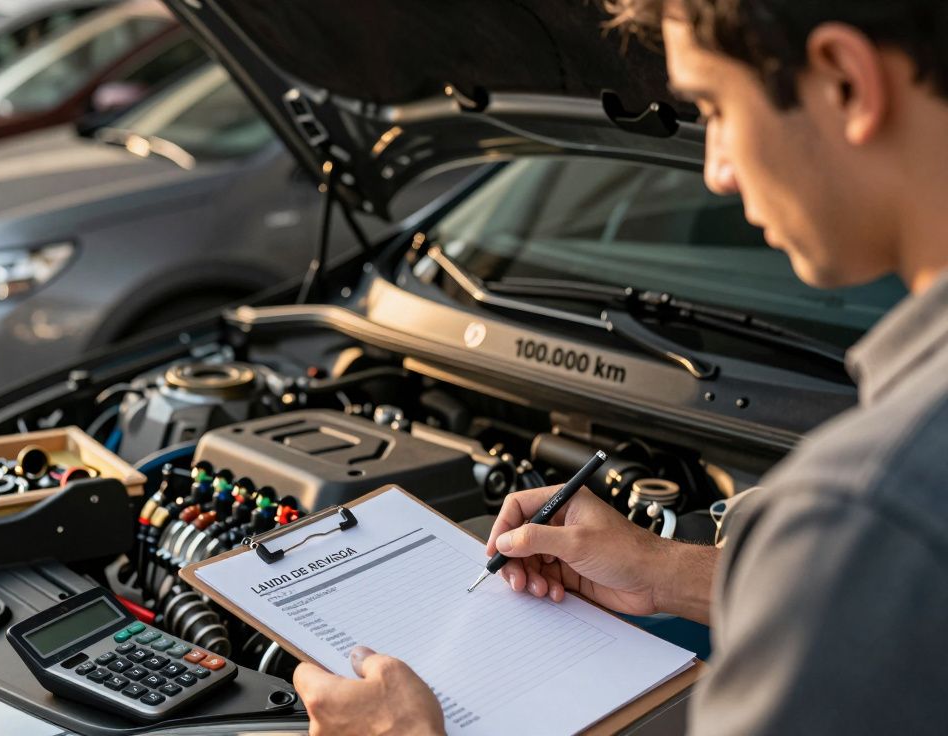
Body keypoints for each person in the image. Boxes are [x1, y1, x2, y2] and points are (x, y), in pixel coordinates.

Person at [291, 0, 948, 733]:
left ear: (846, 84)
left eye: (716, 108)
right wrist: (665, 571)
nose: (716, 171)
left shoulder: (868, 510)